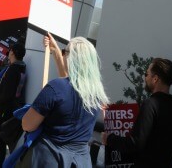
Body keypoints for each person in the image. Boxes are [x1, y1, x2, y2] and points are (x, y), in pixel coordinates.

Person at [21, 36, 108, 167]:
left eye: (64, 52)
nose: (63, 55)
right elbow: (68, 85)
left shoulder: (56, 87)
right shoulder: (97, 94)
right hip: (81, 161)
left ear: (71, 58)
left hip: (50, 158)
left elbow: (27, 125)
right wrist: (56, 50)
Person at [103, 57, 172, 167]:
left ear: (155, 79)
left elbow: (135, 143)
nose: (145, 78)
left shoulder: (151, 104)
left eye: (146, 74)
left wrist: (109, 138)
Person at [0, 42, 27, 166]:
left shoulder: (13, 69)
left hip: (4, 112)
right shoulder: (21, 68)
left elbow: (5, 95)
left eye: (10, 51)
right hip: (13, 111)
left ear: (12, 52)